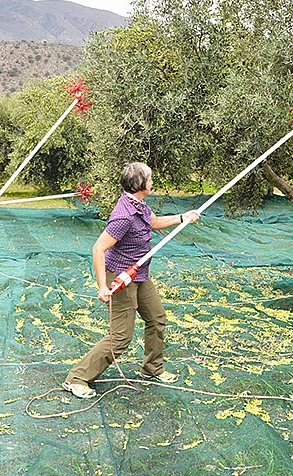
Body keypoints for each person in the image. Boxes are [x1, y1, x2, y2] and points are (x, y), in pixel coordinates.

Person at [63, 162, 201, 399]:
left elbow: (154, 223)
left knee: (157, 318)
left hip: (140, 274)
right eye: (149, 179)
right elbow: (98, 249)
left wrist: (182, 217)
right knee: (120, 337)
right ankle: (77, 378)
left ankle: (152, 368)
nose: (152, 182)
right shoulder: (123, 216)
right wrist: (102, 286)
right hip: (120, 276)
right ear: (140, 184)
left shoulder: (138, 203)